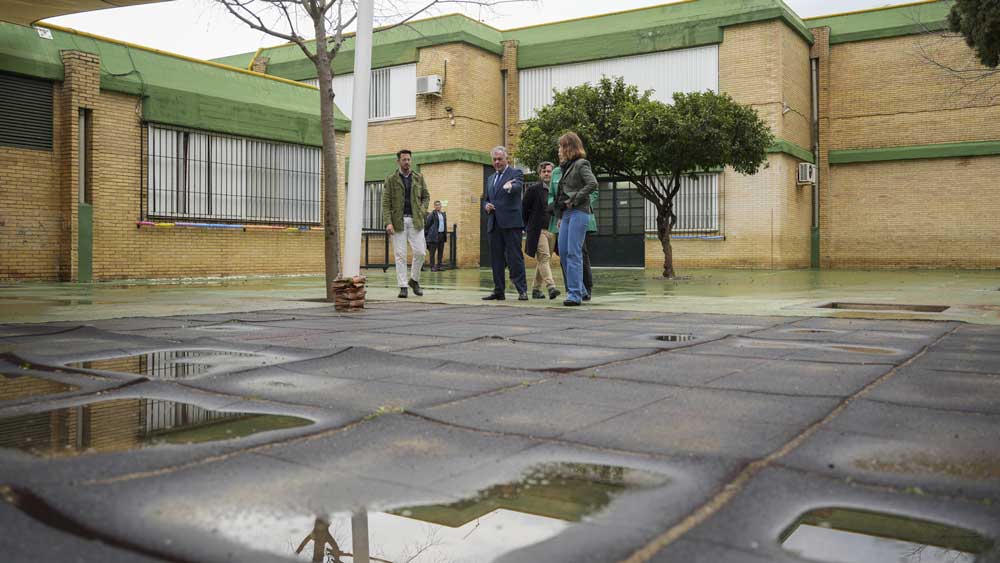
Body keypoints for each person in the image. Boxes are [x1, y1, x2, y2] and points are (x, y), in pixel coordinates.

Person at [554, 132, 597, 306]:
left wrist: (575, 199)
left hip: (579, 212)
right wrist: (559, 214)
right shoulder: (564, 167)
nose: (558, 150)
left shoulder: (581, 164)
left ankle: (574, 294)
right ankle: (580, 289)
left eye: (560, 146)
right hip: (565, 215)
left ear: (568, 147)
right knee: (563, 252)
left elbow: (592, 183)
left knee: (573, 253)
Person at [382, 149, 430, 298]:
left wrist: (422, 211)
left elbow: (426, 196)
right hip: (398, 222)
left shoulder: (418, 177)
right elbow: (386, 203)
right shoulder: (391, 179)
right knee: (400, 255)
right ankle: (403, 286)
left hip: (416, 221)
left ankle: (414, 280)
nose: (407, 162)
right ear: (398, 161)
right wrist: (388, 222)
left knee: (420, 252)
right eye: (404, 160)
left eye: (409, 159)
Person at [482, 145, 528, 301]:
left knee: (515, 258)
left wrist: (510, 187)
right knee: (496, 259)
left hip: (511, 223)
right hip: (494, 224)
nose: (496, 162)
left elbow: (517, 187)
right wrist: (486, 206)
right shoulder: (490, 178)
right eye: (494, 159)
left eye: (499, 159)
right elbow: (487, 198)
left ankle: (522, 290)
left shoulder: (516, 173)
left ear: (506, 159)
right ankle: (498, 291)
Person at [522, 161, 560, 300]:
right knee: (544, 258)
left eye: (549, 171)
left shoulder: (557, 190)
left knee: (544, 261)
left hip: (552, 230)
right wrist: (529, 227)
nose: (546, 173)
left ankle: (536, 289)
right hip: (538, 230)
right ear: (540, 174)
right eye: (543, 171)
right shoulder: (533, 190)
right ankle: (551, 287)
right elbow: (524, 211)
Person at [424, 200, 448, 271]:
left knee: (440, 251)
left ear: (441, 206)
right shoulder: (432, 214)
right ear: (434, 206)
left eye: (439, 205)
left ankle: (439, 266)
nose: (438, 206)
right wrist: (428, 234)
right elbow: (427, 225)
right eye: (436, 205)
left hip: (441, 235)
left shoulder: (443, 214)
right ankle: (432, 266)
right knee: (432, 252)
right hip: (434, 235)